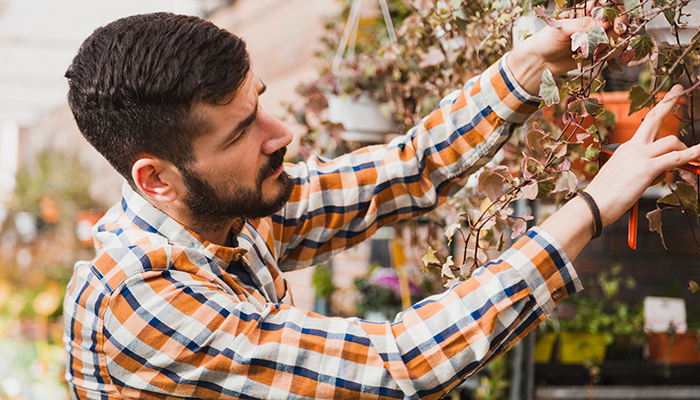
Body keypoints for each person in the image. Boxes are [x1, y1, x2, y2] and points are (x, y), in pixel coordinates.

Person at [62, 11, 699, 400]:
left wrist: (529, 63)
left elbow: (404, 171)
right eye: (242, 130)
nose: (282, 134)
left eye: (259, 104)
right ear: (157, 179)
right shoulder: (139, 298)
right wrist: (593, 203)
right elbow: (398, 366)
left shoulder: (222, 214)